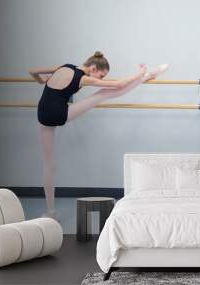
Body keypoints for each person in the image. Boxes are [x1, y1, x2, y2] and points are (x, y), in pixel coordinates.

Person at [29, 51, 168, 218]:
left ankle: (51, 212)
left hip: (42, 115)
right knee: (103, 93)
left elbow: (33, 71)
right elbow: (117, 85)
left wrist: (42, 81)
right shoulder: (82, 78)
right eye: (101, 75)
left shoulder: (64, 67)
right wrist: (139, 73)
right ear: (93, 68)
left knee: (49, 165)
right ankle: (146, 77)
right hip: (59, 115)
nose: (100, 79)